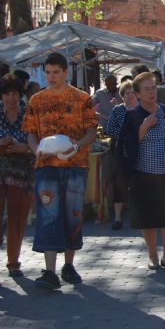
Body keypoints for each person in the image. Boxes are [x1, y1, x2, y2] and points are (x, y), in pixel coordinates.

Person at [23, 53, 98, 290]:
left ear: (66, 72)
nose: (51, 76)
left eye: (56, 72)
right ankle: (49, 271)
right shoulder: (36, 100)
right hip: (47, 167)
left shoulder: (82, 98)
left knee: (73, 213)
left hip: (75, 165)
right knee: (48, 214)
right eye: (48, 72)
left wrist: (78, 145)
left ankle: (69, 265)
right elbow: (31, 132)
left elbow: (92, 130)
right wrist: (37, 150)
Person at [117, 72, 165, 271]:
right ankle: (152, 255)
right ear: (137, 94)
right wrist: (143, 128)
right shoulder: (131, 115)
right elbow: (125, 147)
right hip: (143, 173)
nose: (152, 92)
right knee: (147, 216)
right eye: (146, 89)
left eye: (153, 88)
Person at [0, 74, 35, 277]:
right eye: (7, 94)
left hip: (22, 174)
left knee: (17, 218)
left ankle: (13, 262)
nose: (11, 98)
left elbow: (37, 143)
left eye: (15, 94)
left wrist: (24, 148)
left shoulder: (28, 114)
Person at [105, 80, 138, 230]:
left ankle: (137, 216)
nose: (130, 95)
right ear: (122, 96)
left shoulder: (142, 109)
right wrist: (125, 135)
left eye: (132, 92)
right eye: (127, 93)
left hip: (139, 152)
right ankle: (118, 218)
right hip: (121, 152)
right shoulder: (118, 110)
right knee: (119, 183)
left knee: (138, 184)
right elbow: (110, 128)